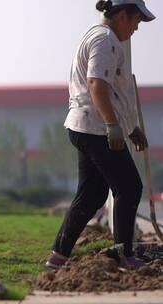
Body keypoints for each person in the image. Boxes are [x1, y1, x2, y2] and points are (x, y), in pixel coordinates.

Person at [46, 0, 155, 269]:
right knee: (129, 187)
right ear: (121, 15)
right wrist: (112, 126)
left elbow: (116, 93)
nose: (136, 29)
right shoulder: (105, 40)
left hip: (88, 127)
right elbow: (96, 84)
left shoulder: (103, 38)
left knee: (92, 195)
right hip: (96, 129)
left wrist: (130, 128)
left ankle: (57, 258)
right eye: (136, 21)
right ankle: (123, 255)